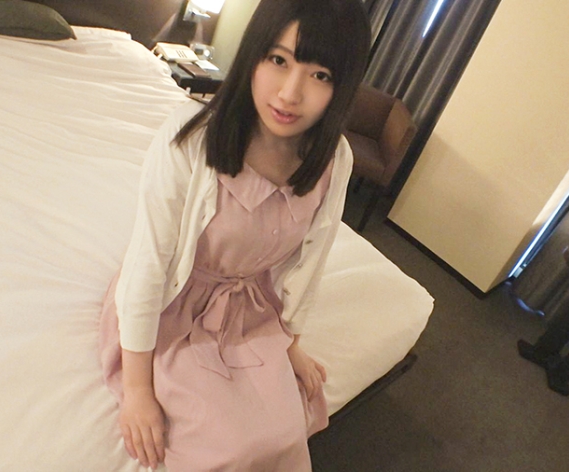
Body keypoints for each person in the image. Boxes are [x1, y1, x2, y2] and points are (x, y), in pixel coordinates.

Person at [99, 0, 371, 469]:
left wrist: (291, 342)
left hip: (249, 310)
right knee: (226, 448)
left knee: (284, 434)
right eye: (278, 60)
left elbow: (312, 260)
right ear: (253, 54)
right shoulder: (188, 139)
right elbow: (149, 265)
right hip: (174, 308)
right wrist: (138, 390)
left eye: (320, 75)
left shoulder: (334, 158)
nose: (290, 93)